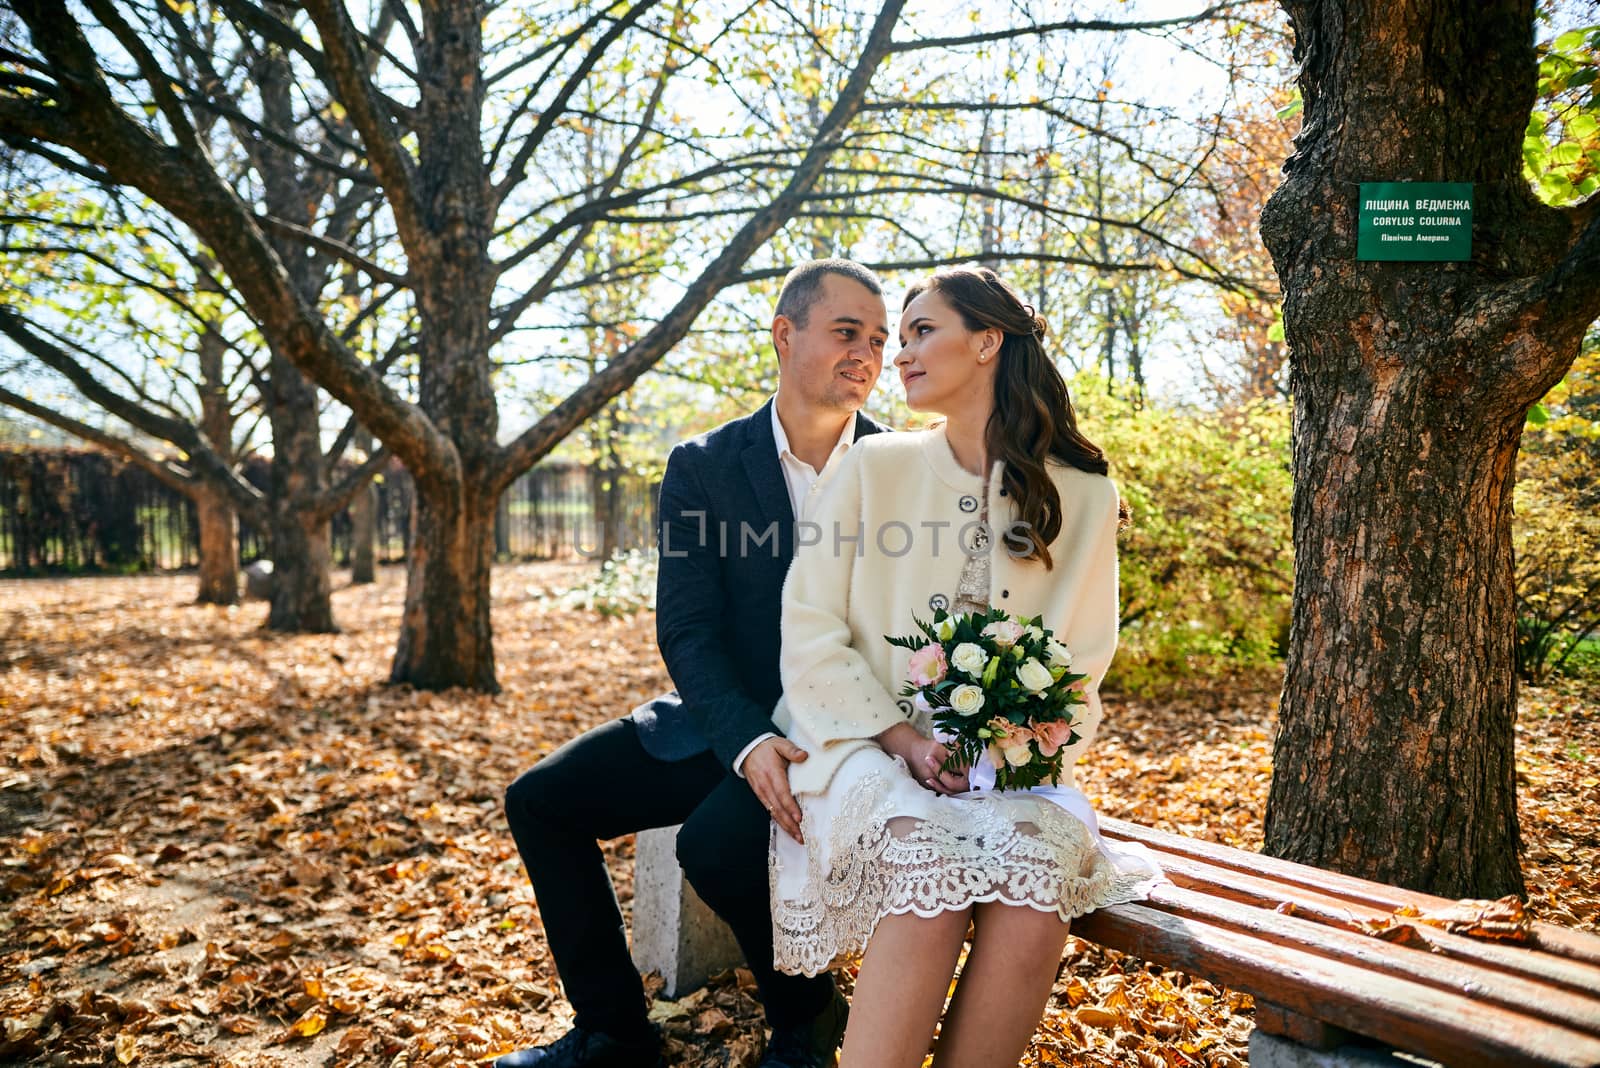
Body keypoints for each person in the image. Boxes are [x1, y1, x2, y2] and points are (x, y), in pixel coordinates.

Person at [498, 259, 893, 1068]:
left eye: (880, 340)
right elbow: (686, 629)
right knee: (541, 801)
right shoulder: (705, 466)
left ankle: (806, 1013)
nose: (867, 353)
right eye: (846, 332)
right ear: (786, 336)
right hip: (727, 724)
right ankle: (613, 1033)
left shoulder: (904, 471)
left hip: (849, 738)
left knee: (714, 847)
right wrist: (748, 742)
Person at [767, 266, 1164, 1068]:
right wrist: (904, 742)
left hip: (1018, 769)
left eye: (920, 332)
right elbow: (808, 628)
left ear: (987, 343)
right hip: (864, 744)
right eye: (896, 337)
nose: (899, 354)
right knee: (927, 881)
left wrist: (1011, 747)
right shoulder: (871, 468)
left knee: (1033, 899)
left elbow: (1082, 661)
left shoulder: (1082, 494)